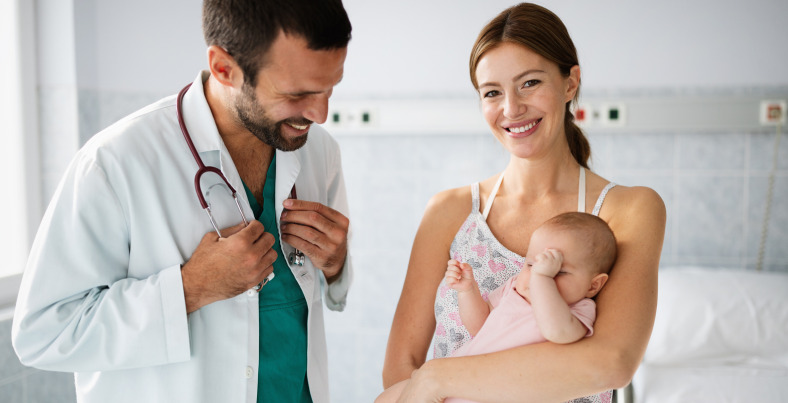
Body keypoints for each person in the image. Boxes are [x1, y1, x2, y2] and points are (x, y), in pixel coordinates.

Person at [12, 1, 353, 402]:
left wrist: (335, 264)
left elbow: (326, 297)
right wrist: (190, 288)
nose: (320, 113)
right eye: (298, 94)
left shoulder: (317, 151)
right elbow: (43, 332)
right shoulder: (115, 163)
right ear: (224, 68)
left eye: (330, 89)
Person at [382, 3, 666, 402]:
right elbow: (401, 367)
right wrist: (428, 381)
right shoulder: (449, 212)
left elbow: (611, 363)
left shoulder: (628, 210)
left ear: (570, 84)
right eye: (492, 92)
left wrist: (437, 380)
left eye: (529, 83)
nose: (511, 109)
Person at [376, 212, 616, 403]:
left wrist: (542, 279)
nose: (537, 275)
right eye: (531, 264)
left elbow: (557, 332)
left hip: (496, 393)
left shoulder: (578, 311)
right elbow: (479, 326)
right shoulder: (513, 288)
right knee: (387, 398)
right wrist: (468, 291)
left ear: (593, 285)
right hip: (455, 380)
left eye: (559, 271)